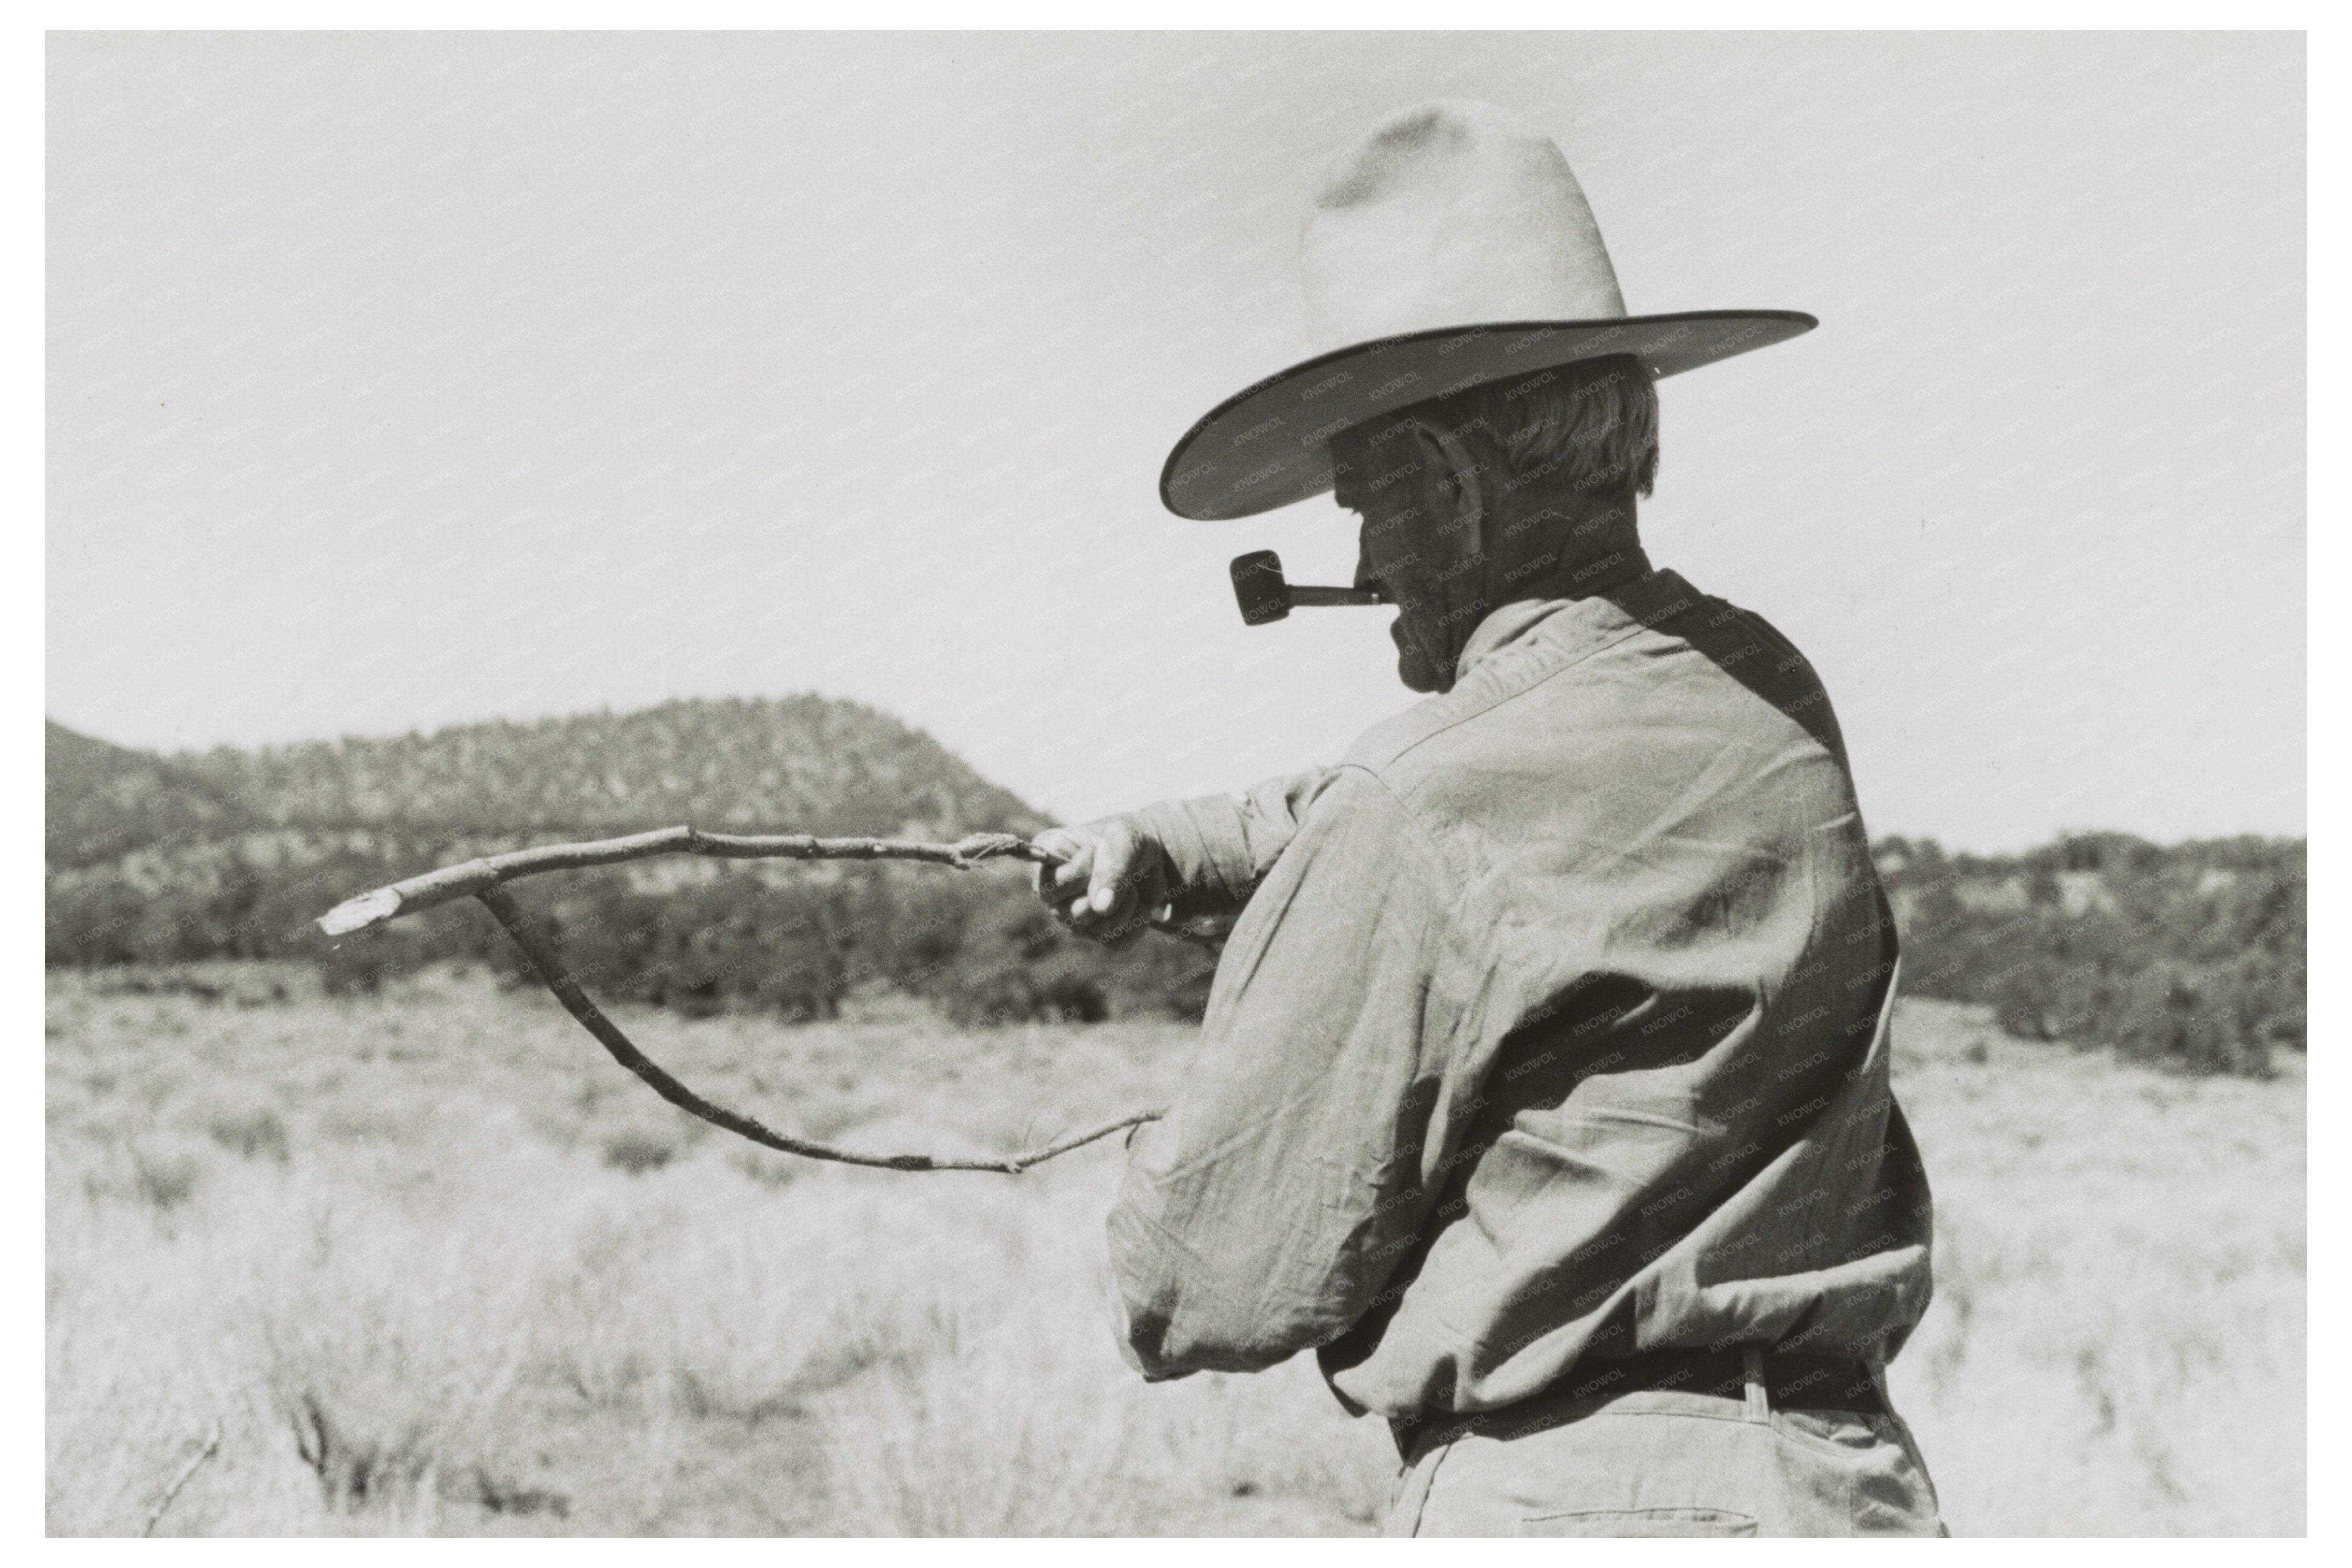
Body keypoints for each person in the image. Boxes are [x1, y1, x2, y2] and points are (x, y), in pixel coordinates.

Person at [1032, 100, 1942, 1539]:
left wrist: (1212, 1110)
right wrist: (1185, 844)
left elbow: (1197, 1286)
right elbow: (1502, 815)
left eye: (1366, 505)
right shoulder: (1760, 687)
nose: (1364, 562)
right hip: (1841, 1487)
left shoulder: (1432, 794)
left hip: (1570, 1505)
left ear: (1448, 487)